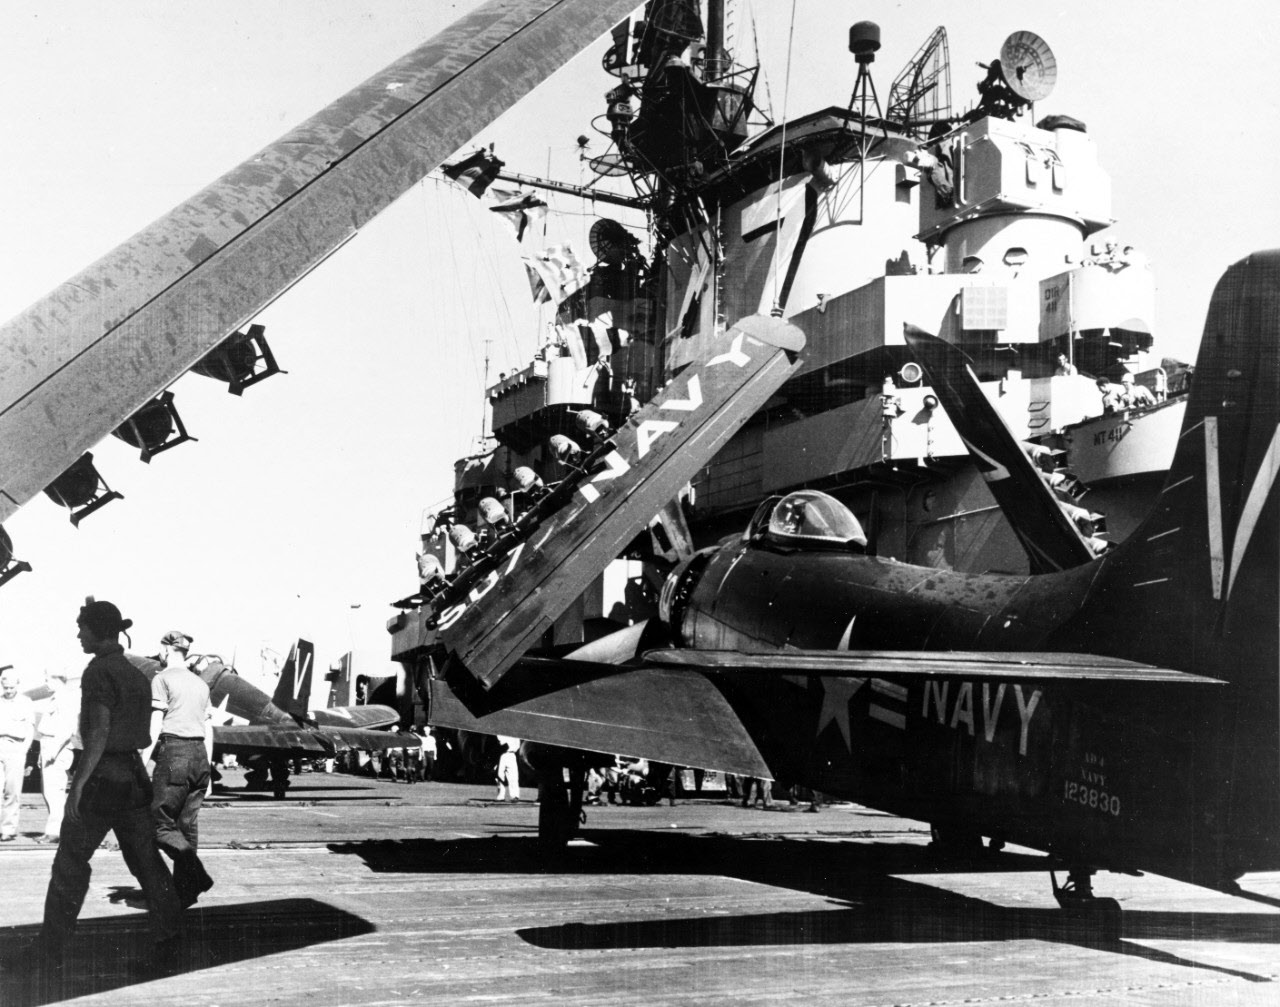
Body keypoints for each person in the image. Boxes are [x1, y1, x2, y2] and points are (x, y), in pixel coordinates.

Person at [41, 600, 181, 971]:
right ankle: (170, 935)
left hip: (104, 778)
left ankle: (52, 950)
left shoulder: (98, 672)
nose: (77, 634)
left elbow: (100, 731)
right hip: (135, 778)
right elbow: (143, 734)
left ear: (98, 630)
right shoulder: (137, 674)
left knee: (70, 862)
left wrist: (78, 786)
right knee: (147, 862)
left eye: (81, 627)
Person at [141, 631, 213, 908]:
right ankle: (184, 893)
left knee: (156, 823)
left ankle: (196, 875)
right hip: (200, 756)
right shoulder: (200, 684)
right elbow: (208, 729)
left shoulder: (162, 679)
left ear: (166, 650)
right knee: (187, 826)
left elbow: (155, 724)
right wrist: (208, 765)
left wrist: (143, 758)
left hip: (175, 753)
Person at [36, 668, 80, 843]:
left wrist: (53, 751)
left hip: (57, 747)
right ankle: (54, 829)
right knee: (48, 790)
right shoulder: (56, 698)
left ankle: (56, 832)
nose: (46, 683)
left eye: (47, 679)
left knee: (55, 792)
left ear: (57, 679)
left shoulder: (65, 699)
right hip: (48, 745)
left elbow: (67, 729)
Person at [0, 666, 36, 841]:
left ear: (17, 685)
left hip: (16, 747)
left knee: (12, 791)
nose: (8, 691)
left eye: (11, 688)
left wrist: (24, 750)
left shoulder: (26, 702)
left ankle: (8, 829)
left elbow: (30, 728)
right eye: (5, 687)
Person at [495, 735, 521, 802]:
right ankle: (501, 796)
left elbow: (517, 745)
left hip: (511, 754)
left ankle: (515, 796)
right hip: (502, 754)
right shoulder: (501, 733)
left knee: (513, 776)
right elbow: (500, 743)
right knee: (500, 775)